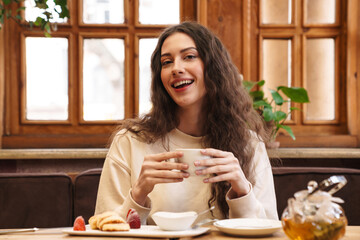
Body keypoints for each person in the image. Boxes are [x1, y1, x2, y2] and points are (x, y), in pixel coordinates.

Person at [95, 21, 278, 224]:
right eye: (166, 62)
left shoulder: (249, 144)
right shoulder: (130, 141)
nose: (176, 68)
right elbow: (104, 229)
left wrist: (242, 191)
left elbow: (271, 231)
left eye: (189, 57)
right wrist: (138, 195)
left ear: (214, 68)